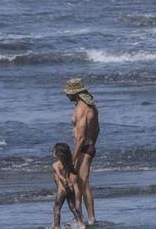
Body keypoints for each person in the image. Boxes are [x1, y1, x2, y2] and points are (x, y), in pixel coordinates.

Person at [63, 77, 99, 226]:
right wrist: (92, 145)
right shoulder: (92, 106)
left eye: (68, 93)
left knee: (81, 183)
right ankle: (85, 217)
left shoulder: (80, 109)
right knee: (80, 182)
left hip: (83, 149)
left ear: (75, 93)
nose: (66, 95)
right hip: (89, 148)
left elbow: (81, 137)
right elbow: (97, 129)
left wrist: (73, 157)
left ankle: (85, 219)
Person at [51, 143, 87, 229]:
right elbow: (73, 172)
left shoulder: (55, 165)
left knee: (56, 208)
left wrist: (63, 179)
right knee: (72, 207)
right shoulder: (68, 163)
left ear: (57, 154)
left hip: (61, 189)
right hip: (70, 188)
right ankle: (81, 223)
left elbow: (59, 174)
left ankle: (56, 226)